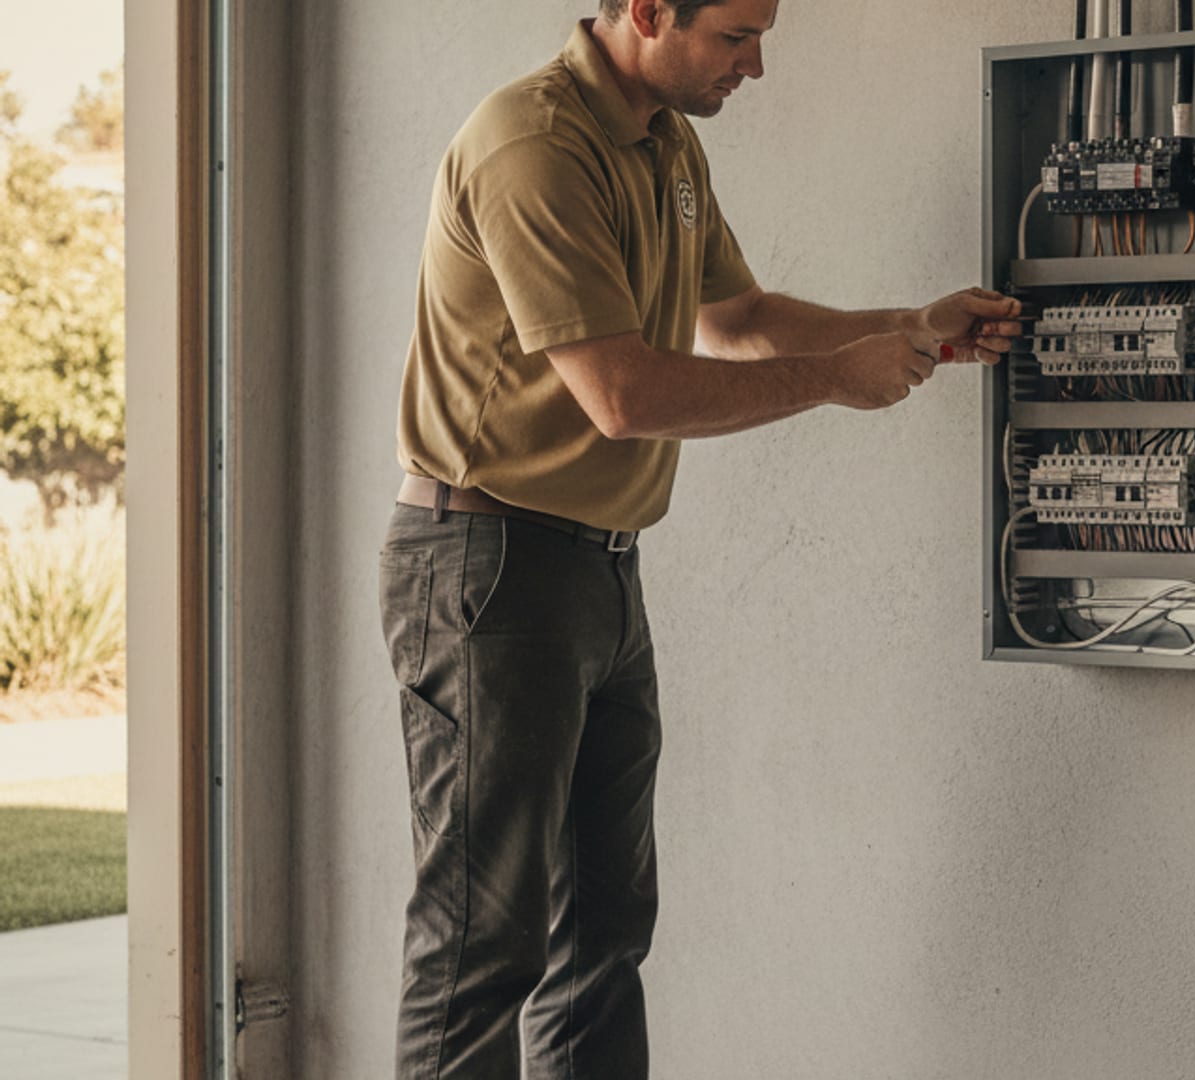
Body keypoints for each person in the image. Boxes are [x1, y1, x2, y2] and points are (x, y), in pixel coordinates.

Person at [374, 0, 1022, 1075]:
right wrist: (834, 384)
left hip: (600, 571)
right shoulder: (534, 145)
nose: (756, 66)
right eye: (735, 35)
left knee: (606, 931)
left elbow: (740, 315)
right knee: (483, 942)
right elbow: (620, 395)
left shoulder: (663, 144)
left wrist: (904, 329)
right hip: (488, 573)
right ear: (644, 11)